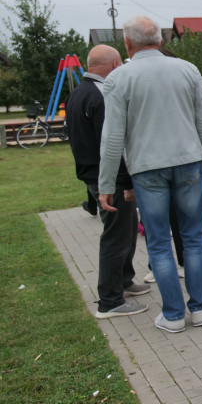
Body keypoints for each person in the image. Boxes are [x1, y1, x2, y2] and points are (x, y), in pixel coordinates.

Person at [98, 16, 202, 334]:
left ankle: (174, 314)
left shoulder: (119, 78)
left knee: (159, 243)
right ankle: (201, 306)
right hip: (188, 162)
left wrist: (107, 183)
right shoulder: (187, 69)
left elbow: (112, 137)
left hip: (147, 168)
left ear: (127, 43)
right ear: (161, 40)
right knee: (193, 238)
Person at [65, 44, 149, 319]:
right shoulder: (101, 94)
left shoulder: (78, 92)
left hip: (95, 174)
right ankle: (110, 300)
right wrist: (124, 182)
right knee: (116, 236)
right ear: (115, 65)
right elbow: (112, 145)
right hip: (108, 178)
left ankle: (124, 281)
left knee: (124, 232)